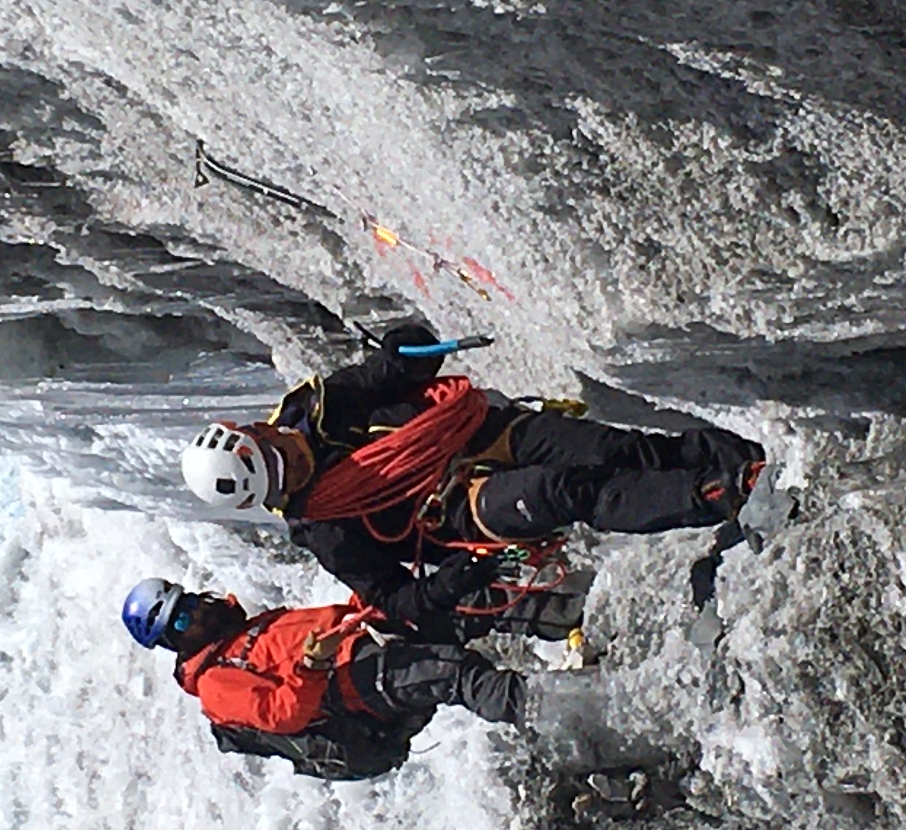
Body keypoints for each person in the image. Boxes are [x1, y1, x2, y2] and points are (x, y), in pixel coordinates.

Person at [174, 328, 762, 631]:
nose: (291, 463)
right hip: (459, 507)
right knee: (568, 491)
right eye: (279, 478)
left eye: (275, 451)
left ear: (255, 427)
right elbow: (396, 599)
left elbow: (386, 374)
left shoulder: (317, 408)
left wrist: (406, 350)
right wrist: (451, 583)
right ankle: (721, 493)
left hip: (474, 434)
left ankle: (740, 456)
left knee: (618, 447)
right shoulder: (322, 528)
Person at [122, 578, 533, 782]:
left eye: (189, 602)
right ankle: (550, 711)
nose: (195, 613)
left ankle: (574, 609)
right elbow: (282, 714)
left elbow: (325, 622)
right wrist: (312, 667)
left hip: (364, 643)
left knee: (469, 605)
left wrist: (372, 596)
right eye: (180, 619)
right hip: (354, 684)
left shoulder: (245, 633)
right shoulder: (214, 684)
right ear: (172, 642)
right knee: (453, 673)